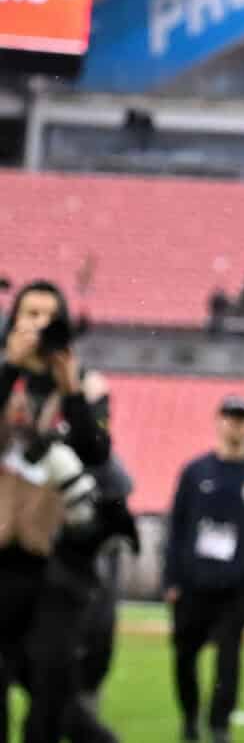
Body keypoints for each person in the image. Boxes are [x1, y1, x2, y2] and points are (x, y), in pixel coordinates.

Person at [1, 280, 116, 743]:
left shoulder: (86, 384)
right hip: (3, 551)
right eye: (31, 314)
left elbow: (96, 453)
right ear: (13, 321)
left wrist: (71, 392)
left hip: (58, 560)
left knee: (51, 683)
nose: (40, 325)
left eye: (50, 317)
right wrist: (10, 367)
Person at [166, 394, 244, 743]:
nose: (236, 425)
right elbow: (177, 527)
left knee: (229, 655)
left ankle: (220, 724)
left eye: (243, 419)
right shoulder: (195, 472)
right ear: (218, 422)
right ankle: (190, 718)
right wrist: (172, 578)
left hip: (238, 585)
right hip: (194, 582)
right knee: (185, 654)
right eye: (230, 417)